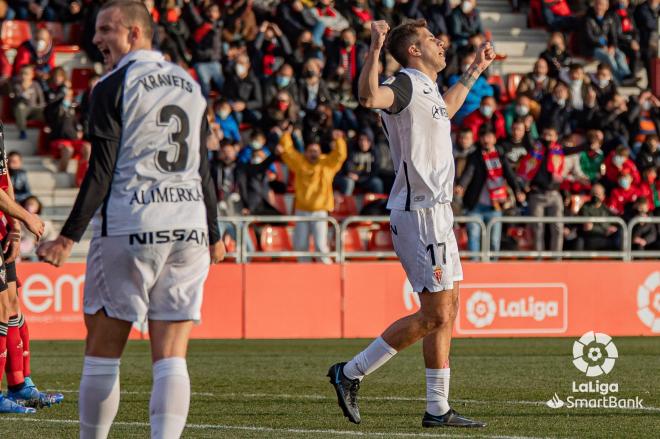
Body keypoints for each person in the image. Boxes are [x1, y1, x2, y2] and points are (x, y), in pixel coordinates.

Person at [36, 2, 225, 438]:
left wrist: (67, 238)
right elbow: (203, 168)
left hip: (133, 222)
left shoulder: (111, 85)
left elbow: (101, 168)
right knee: (171, 356)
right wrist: (214, 233)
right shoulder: (189, 84)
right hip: (189, 227)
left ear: (135, 33)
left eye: (106, 29)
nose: (97, 38)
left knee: (103, 351)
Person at [328, 19, 494, 428]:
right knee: (435, 314)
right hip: (419, 212)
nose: (441, 44)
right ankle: (349, 372)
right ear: (415, 51)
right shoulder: (402, 83)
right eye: (431, 40)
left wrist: (475, 69)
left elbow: (449, 108)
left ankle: (437, 408)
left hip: (438, 212)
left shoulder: (428, 88)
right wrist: (375, 46)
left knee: (449, 308)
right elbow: (368, 97)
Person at [0, 120, 49, 414]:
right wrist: (28, 218)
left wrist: (15, 229)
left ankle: (20, 385)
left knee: (11, 303)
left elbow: (3, 181)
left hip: (2, 224)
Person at [276, 129, 346, 264]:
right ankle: (304, 273)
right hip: (302, 211)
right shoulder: (300, 163)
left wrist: (339, 140)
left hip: (320, 212)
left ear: (320, 153)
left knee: (321, 247)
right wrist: (285, 135)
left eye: (316, 151)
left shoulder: (327, 164)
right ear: (305, 152)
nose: (313, 154)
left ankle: (326, 274)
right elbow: (288, 153)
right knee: (300, 246)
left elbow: (340, 156)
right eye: (310, 151)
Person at [455, 125, 525, 255]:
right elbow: (468, 172)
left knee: (494, 241)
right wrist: (462, 186)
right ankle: (474, 266)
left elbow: (510, 175)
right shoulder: (475, 156)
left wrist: (518, 190)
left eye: (489, 136)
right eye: (483, 137)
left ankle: (493, 269)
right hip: (475, 205)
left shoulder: (500, 155)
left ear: (494, 138)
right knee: (474, 237)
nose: (486, 140)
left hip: (495, 205)